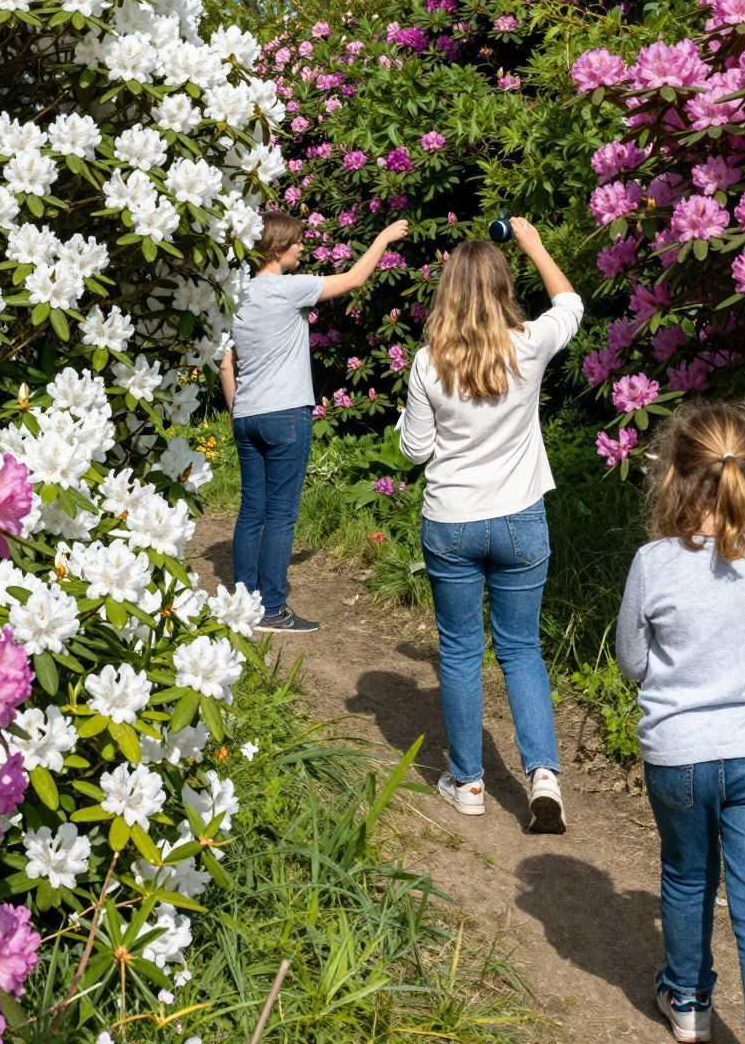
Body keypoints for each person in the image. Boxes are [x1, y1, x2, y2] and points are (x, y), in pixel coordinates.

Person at [616, 400, 745, 1044]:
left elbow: (631, 661)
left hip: (680, 753)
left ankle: (689, 1003)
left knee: (686, 876)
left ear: (673, 475)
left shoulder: (654, 563)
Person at [397, 218, 582, 830]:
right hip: (520, 518)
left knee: (458, 651)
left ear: (446, 291)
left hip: (451, 520)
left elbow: (415, 452)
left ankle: (470, 782)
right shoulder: (527, 343)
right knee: (522, 649)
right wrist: (534, 242)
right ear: (504, 286)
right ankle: (544, 776)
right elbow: (571, 304)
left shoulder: (428, 363)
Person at [220, 212, 407, 633]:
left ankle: (243, 606)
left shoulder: (234, 295)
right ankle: (271, 611)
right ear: (278, 248)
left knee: (252, 511)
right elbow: (355, 279)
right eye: (297, 243)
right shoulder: (290, 289)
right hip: (286, 414)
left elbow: (225, 365)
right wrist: (383, 237)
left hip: (247, 416)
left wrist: (238, 410)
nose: (303, 249)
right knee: (281, 514)